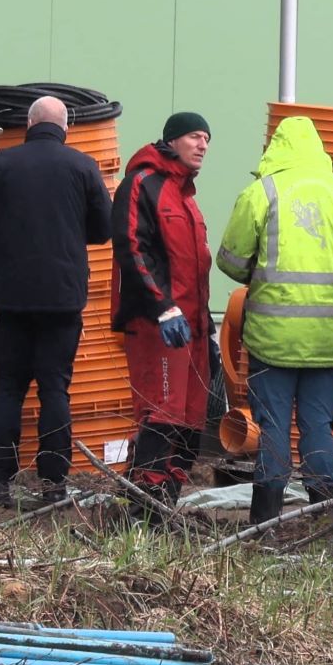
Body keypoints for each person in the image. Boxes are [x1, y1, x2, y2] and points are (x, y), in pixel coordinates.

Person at [217, 116, 333, 524]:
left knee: (272, 426)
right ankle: (325, 515)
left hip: (271, 340)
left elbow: (231, 261)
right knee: (318, 425)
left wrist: (260, 272)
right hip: (325, 340)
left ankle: (264, 520)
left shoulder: (262, 192)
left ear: (276, 148)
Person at [0, 96, 112, 506]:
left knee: (9, 388)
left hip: (10, 300)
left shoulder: (1, 166)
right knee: (55, 389)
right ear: (65, 128)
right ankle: (54, 484)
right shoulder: (83, 166)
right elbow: (104, 229)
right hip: (62, 300)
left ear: (29, 125)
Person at [111, 112, 213, 505]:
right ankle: (145, 504)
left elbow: (195, 268)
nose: (202, 145)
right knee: (162, 412)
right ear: (171, 140)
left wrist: (207, 329)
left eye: (206, 139)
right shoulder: (142, 184)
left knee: (191, 418)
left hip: (193, 328)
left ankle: (166, 500)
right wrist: (163, 307)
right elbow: (132, 247)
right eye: (194, 136)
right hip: (158, 325)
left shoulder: (187, 197)